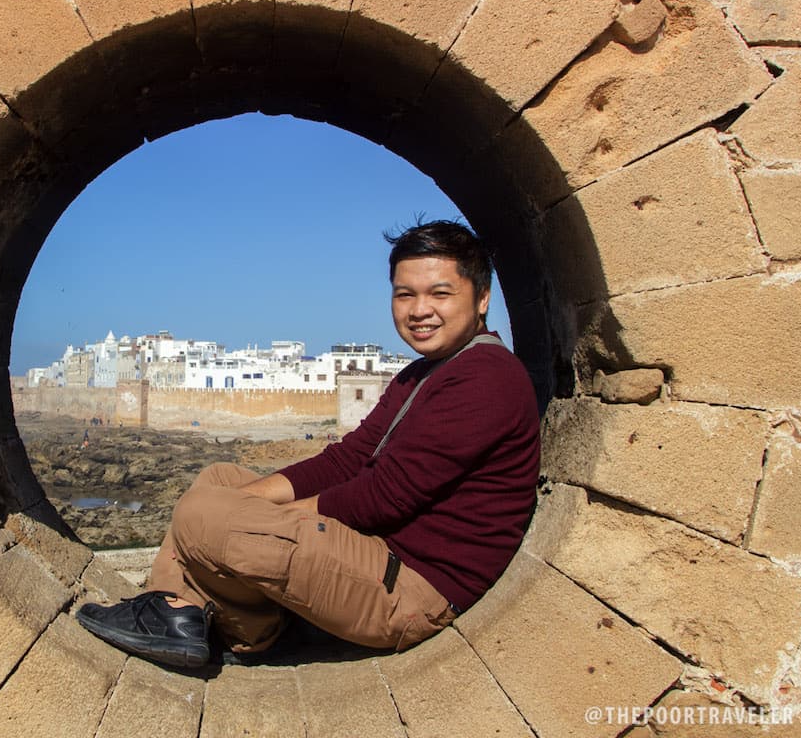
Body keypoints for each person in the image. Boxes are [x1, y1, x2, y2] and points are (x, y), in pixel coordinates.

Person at [76, 220, 541, 668]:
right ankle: (179, 613)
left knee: (201, 514)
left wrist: (247, 518)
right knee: (216, 481)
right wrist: (242, 502)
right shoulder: (426, 372)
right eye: (405, 294)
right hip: (380, 557)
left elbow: (381, 497)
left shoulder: (486, 377)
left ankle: (224, 624)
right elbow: (350, 458)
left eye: (440, 293)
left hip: (411, 590)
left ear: (481, 299)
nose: (420, 310)